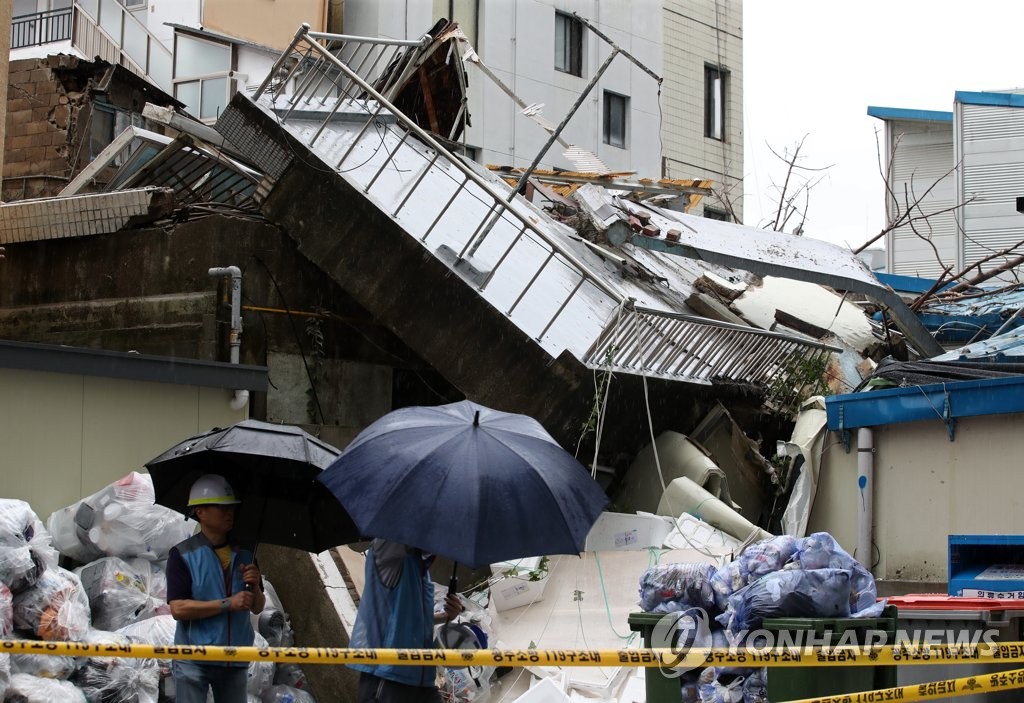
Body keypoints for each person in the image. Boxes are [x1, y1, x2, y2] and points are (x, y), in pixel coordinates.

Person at [166, 473, 266, 703]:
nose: (229, 513)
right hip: (193, 659)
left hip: (235, 659)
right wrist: (227, 604)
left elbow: (257, 608)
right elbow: (178, 609)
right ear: (201, 512)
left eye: (231, 508)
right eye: (222, 508)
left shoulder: (246, 554)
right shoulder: (182, 555)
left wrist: (257, 588)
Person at [349, 539, 464, 703]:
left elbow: (412, 618)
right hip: (388, 677)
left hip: (422, 680)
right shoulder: (388, 550)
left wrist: (445, 616)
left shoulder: (422, 571)